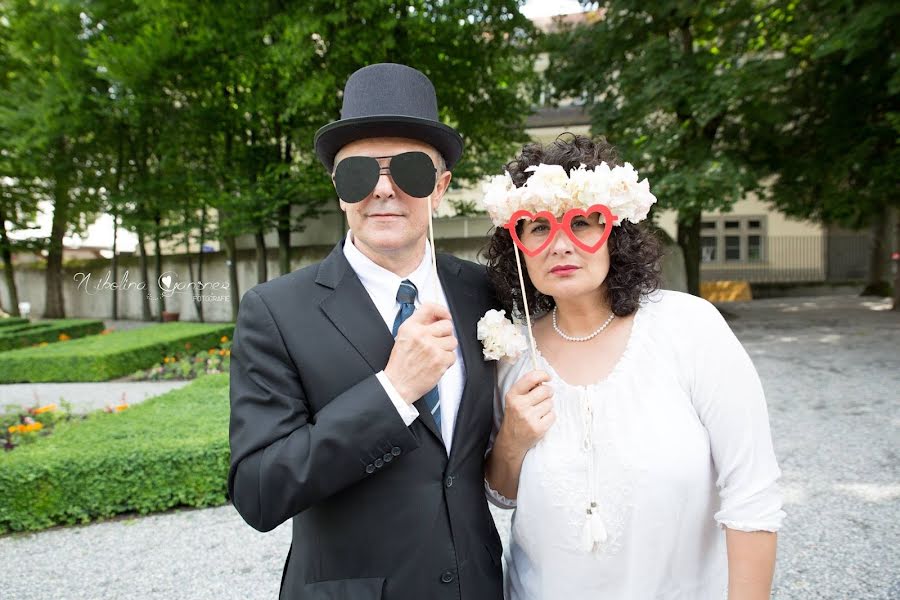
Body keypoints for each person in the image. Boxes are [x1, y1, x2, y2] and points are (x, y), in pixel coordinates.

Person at [228, 63, 503, 600]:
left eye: (410, 172)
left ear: (440, 188)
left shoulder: (484, 294)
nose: (384, 190)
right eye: (360, 173)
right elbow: (259, 491)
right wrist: (393, 392)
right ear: (338, 188)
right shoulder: (275, 311)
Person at [482, 135, 785, 599]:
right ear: (516, 244)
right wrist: (513, 441)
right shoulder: (511, 354)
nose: (560, 245)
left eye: (582, 222)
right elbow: (503, 494)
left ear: (616, 233)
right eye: (537, 226)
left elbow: (752, 493)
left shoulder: (688, 327)